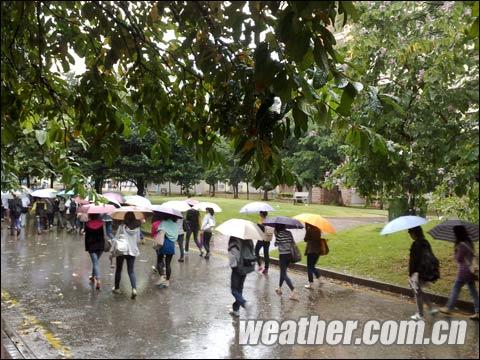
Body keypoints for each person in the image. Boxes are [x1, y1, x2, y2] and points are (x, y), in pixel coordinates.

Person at [439, 226, 479, 320]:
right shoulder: (469, 242)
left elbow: (459, 258)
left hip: (464, 271)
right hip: (471, 271)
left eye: (454, 233)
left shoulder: (461, 245)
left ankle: (449, 308)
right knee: (473, 292)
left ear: (457, 234)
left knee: (456, 288)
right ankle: (478, 311)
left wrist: (456, 251)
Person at [408, 226, 438, 321]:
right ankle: (431, 308)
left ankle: (420, 315)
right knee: (419, 291)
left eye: (410, 232)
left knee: (417, 292)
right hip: (426, 270)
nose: (410, 235)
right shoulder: (426, 242)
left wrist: (411, 273)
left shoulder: (415, 244)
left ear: (414, 233)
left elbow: (413, 261)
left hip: (417, 272)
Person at [112, 212, 141, 299]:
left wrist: (112, 250)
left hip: (122, 250)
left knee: (119, 269)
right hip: (132, 251)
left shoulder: (122, 227)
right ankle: (134, 289)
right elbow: (138, 240)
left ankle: (117, 288)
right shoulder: (137, 228)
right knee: (131, 271)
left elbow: (116, 238)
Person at [228, 236, 254, 317]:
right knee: (239, 289)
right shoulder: (249, 239)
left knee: (234, 289)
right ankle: (236, 310)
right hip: (246, 266)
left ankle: (244, 303)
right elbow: (252, 251)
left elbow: (233, 255)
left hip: (237, 267)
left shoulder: (233, 238)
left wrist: (233, 266)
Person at [152, 212, 179, 288]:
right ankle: (167, 281)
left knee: (160, 261)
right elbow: (176, 236)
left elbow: (159, 231)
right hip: (171, 245)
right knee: (168, 263)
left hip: (163, 243)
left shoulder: (163, 223)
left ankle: (162, 277)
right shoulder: (175, 225)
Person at [274, 224, 298, 300]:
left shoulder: (279, 234)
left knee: (284, 273)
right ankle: (280, 288)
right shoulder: (289, 233)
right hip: (289, 255)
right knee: (283, 272)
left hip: (283, 255)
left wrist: (276, 235)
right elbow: (293, 242)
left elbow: (275, 244)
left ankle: (293, 290)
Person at [84, 213, 105, 290]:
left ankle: (98, 280)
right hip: (100, 246)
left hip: (91, 246)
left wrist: (87, 247)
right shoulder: (102, 223)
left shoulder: (87, 224)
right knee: (95, 262)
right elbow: (104, 235)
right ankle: (93, 276)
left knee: (95, 263)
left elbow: (86, 236)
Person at [304, 223, 323, 289]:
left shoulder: (309, 230)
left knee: (309, 267)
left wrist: (306, 229)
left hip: (311, 251)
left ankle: (311, 283)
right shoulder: (318, 229)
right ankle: (319, 278)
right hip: (317, 251)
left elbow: (305, 239)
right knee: (312, 266)